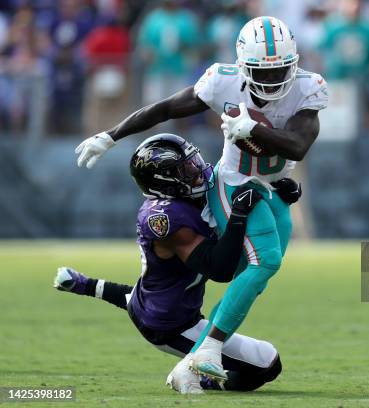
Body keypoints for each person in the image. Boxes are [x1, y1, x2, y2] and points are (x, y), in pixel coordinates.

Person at [74, 15, 327, 384]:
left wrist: (253, 129)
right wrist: (112, 135)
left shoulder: (309, 88)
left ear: (295, 63)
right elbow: (164, 108)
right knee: (264, 262)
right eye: (263, 72)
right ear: (243, 67)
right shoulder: (223, 81)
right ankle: (208, 348)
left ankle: (190, 363)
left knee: (254, 274)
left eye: (279, 71)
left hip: (273, 185)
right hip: (235, 182)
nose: (272, 80)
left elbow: (299, 146)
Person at [58, 133, 301, 393]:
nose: (197, 170)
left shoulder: (189, 197)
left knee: (144, 296)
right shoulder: (164, 217)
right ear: (166, 182)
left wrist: (276, 195)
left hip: (155, 296)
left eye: (194, 161)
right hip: (170, 324)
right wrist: (239, 215)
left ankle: (81, 284)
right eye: (186, 169)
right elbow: (220, 269)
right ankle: (201, 378)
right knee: (267, 364)